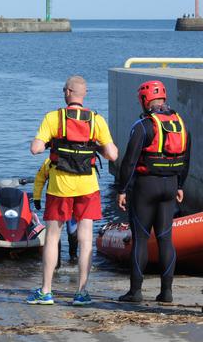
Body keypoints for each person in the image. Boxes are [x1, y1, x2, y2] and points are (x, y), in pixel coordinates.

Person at [26, 75, 118, 306]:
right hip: (88, 187)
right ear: (84, 94)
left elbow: (35, 149)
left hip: (60, 187)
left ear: (67, 92)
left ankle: (46, 291)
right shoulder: (97, 120)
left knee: (52, 237)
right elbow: (113, 155)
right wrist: (95, 146)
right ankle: (81, 293)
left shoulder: (53, 117)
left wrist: (51, 143)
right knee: (86, 239)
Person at [116, 80, 190, 303]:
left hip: (146, 187)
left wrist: (122, 189)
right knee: (165, 238)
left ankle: (135, 292)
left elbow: (129, 162)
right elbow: (186, 159)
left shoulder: (143, 125)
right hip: (170, 186)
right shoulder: (180, 124)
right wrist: (179, 186)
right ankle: (166, 292)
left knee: (140, 239)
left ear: (144, 99)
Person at [33, 157, 79, 266]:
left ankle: (71, 258)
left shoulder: (51, 159)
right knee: (61, 234)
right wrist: (36, 197)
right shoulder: (50, 160)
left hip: (65, 201)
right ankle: (59, 262)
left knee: (67, 233)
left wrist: (37, 198)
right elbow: (40, 178)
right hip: (60, 201)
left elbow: (40, 179)